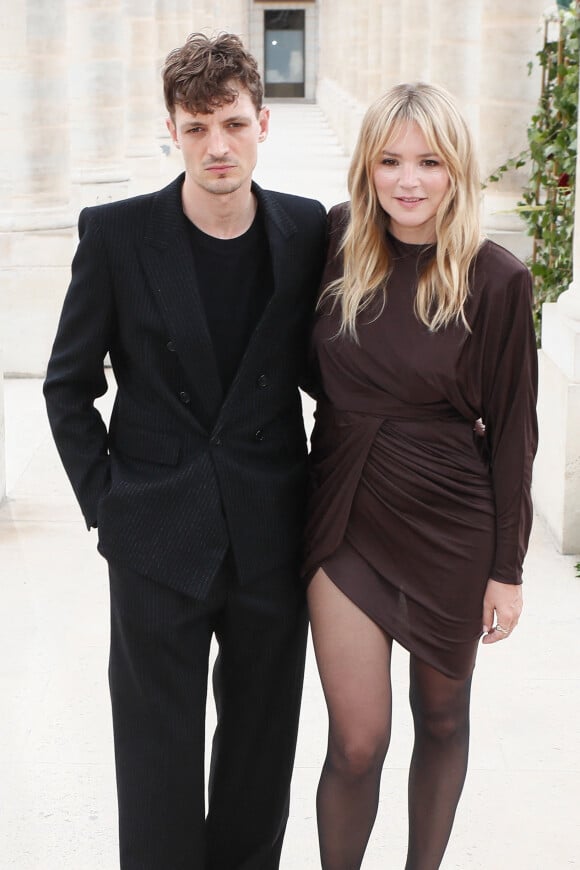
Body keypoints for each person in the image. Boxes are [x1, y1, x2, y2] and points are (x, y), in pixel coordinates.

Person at [43, 32, 326, 870]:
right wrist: (109, 505)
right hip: (155, 535)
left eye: (233, 123)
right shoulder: (118, 236)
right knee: (155, 755)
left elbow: (331, 370)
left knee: (260, 750)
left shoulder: (306, 230)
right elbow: (67, 386)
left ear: (262, 123)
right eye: (197, 127)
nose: (217, 146)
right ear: (172, 128)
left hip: (271, 530)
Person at [303, 82, 538, 870]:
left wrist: (506, 570)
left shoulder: (498, 277)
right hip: (344, 510)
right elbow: (300, 362)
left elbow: (513, 435)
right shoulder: (336, 243)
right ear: (367, 168)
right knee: (359, 739)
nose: (409, 180)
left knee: (441, 719)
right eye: (390, 160)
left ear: (456, 170)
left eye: (429, 162)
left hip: (451, 519)